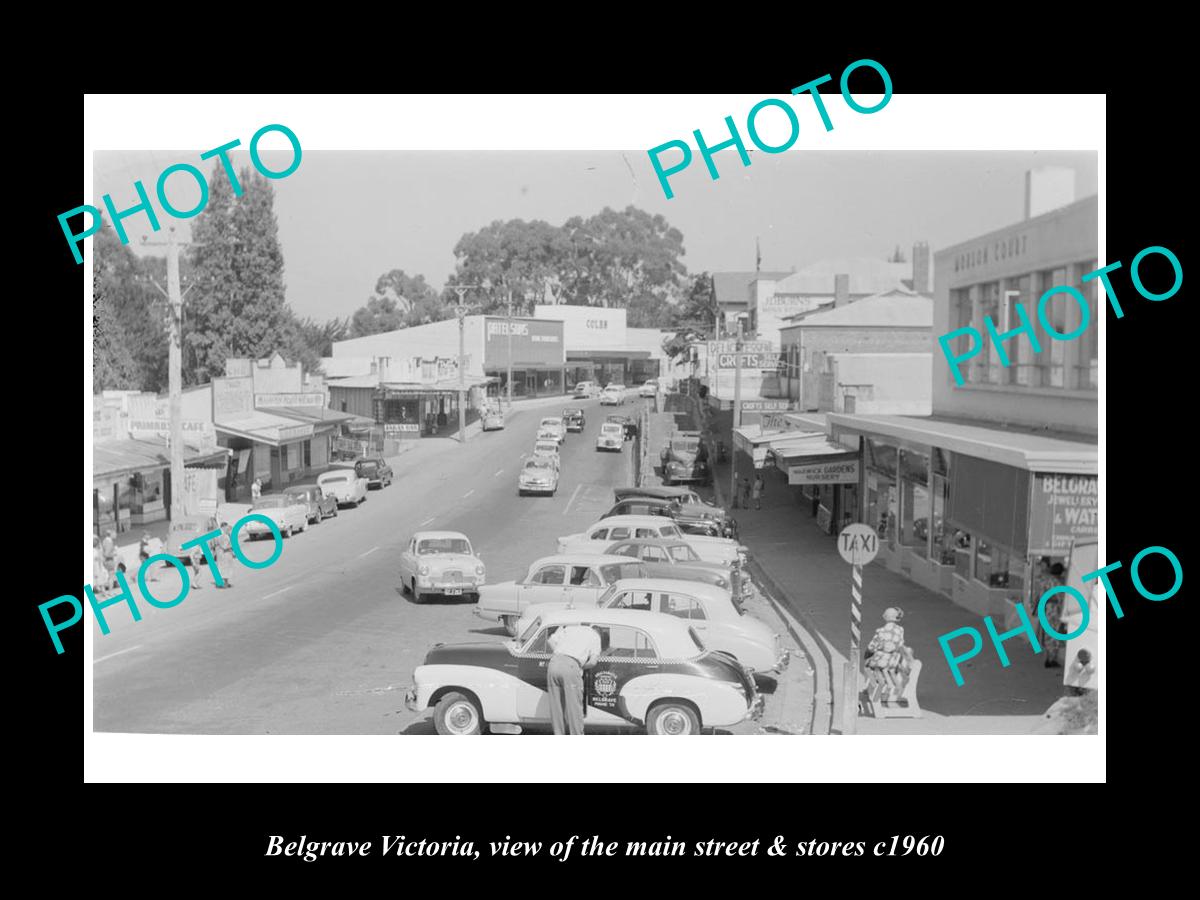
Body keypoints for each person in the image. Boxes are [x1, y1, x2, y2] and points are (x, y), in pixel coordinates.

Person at [546, 625, 602, 735]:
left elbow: (551, 640)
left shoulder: (572, 628)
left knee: (556, 707)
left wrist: (561, 655)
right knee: (574, 708)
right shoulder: (595, 636)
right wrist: (579, 667)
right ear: (599, 632)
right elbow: (593, 662)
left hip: (553, 663)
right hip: (571, 666)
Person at [864, 607, 911, 699]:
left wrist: (869, 652)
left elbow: (872, 646)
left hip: (882, 660)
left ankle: (873, 688)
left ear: (885, 617)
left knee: (867, 666)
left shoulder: (881, 631)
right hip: (894, 659)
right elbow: (901, 643)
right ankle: (890, 687)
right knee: (885, 669)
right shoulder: (900, 630)